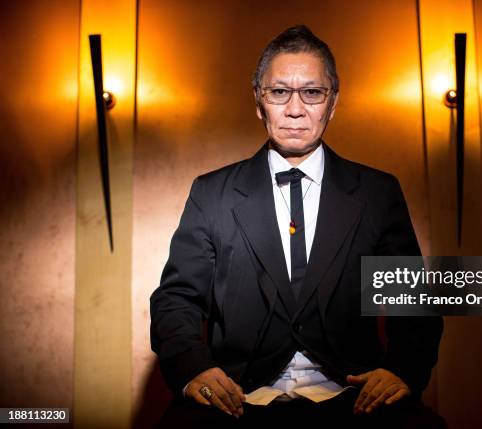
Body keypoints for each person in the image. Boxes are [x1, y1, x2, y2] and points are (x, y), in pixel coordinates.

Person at [150, 25, 444, 428]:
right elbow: (176, 299)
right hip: (238, 398)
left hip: (352, 396)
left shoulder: (377, 192)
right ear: (259, 102)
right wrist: (192, 368)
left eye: (312, 92)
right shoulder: (211, 193)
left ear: (332, 103)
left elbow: (411, 303)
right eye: (279, 92)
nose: (294, 109)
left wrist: (402, 369)